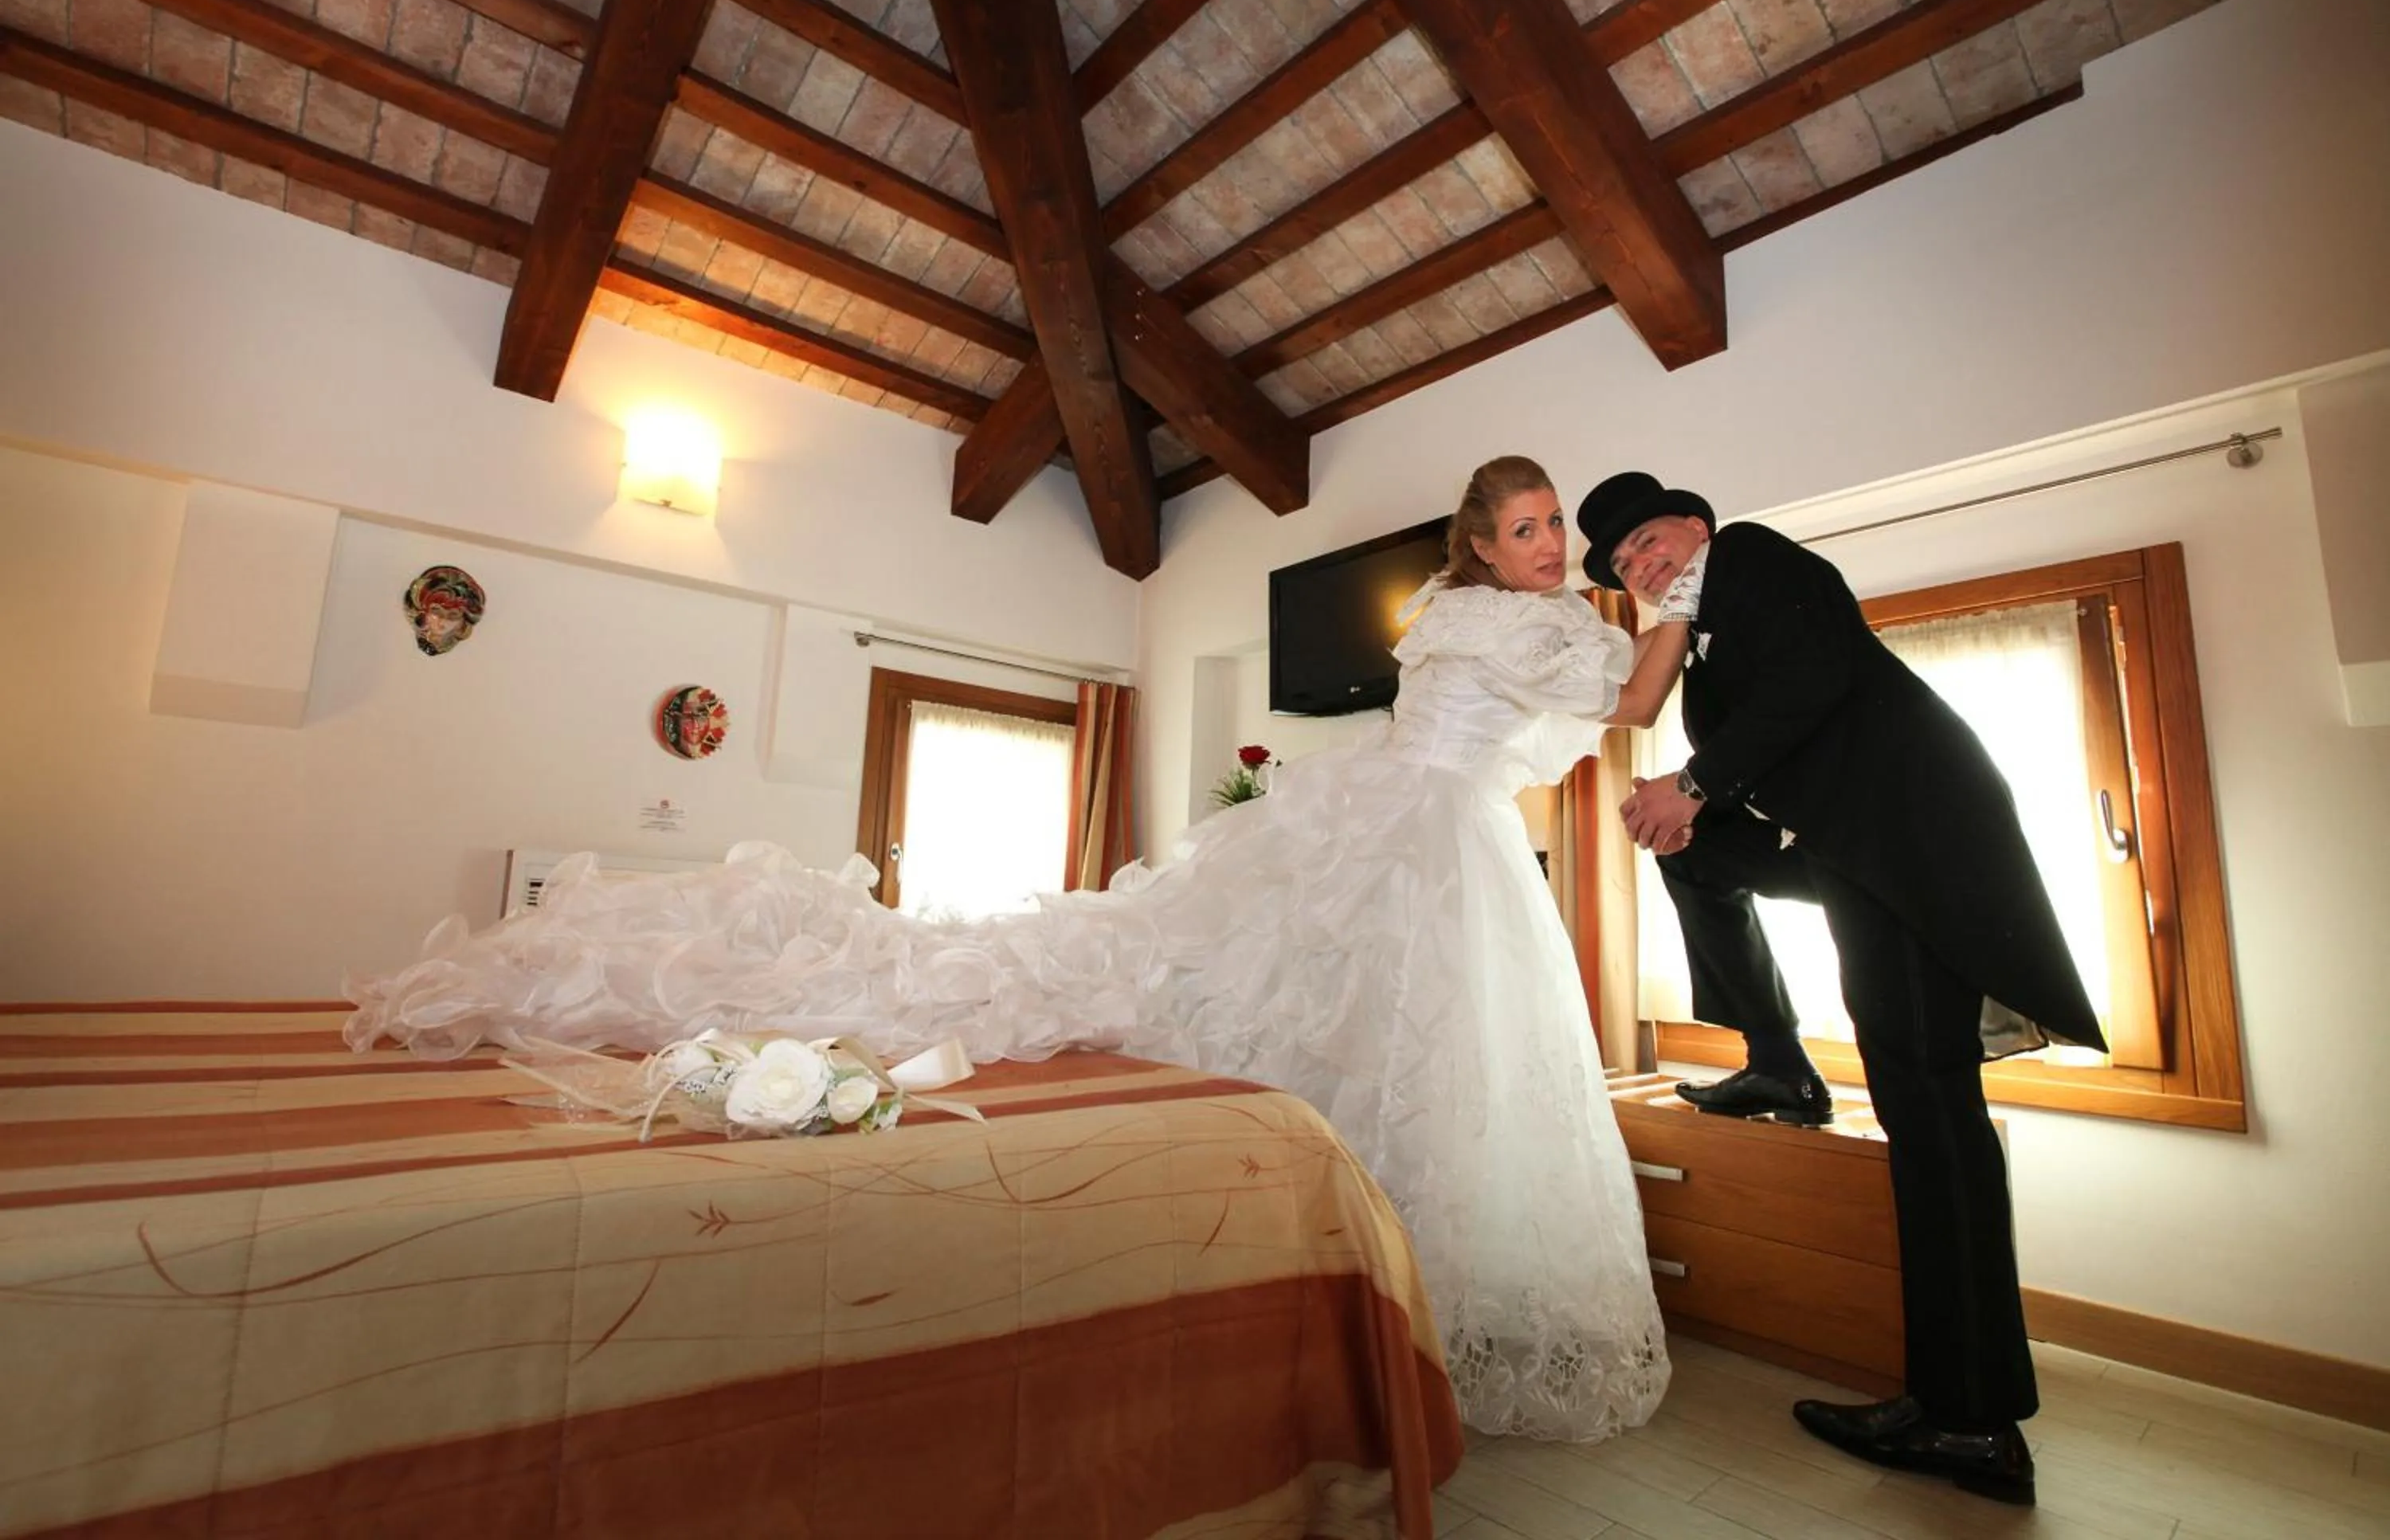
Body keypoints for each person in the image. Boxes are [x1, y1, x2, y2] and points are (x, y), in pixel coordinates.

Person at [347, 457, 1698, 1442]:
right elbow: (1636, 702)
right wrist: (1683, 594)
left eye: (1549, 530)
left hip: (1408, 816)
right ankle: (1402, 1282)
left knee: (1352, 1011)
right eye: (1522, 528)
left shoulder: (1468, 619)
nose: (1541, 545)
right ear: (1479, 542)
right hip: (1439, 836)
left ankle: (1379, 1267)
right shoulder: (1526, 621)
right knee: (1418, 1034)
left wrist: (1614, 613)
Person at [1576, 470, 2107, 1507]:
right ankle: (1778, 1063)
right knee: (1691, 854)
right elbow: (1766, 748)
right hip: (1846, 846)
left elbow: (1814, 683)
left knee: (1930, 1113)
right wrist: (1695, 805)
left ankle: (1970, 1418)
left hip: (1906, 856)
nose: (1643, 567)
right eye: (1627, 566)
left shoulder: (1759, 559)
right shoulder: (1707, 645)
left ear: (1698, 523)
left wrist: (1689, 784)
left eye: (1648, 541)